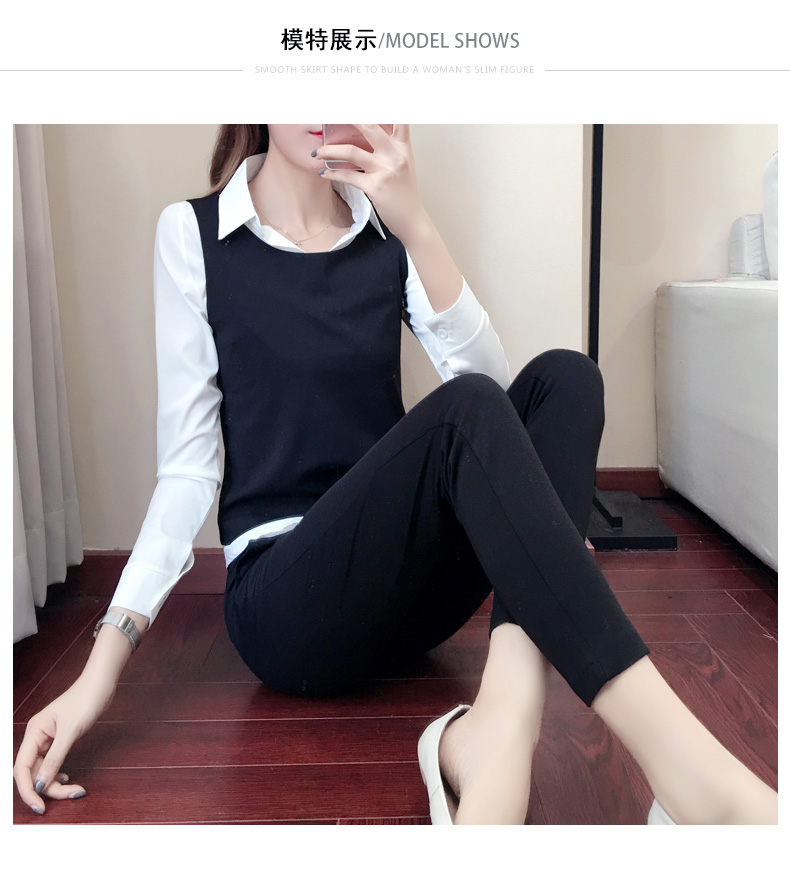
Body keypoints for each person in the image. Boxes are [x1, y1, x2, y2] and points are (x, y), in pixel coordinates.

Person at [14, 125, 778, 825]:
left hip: (406, 599)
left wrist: (416, 224)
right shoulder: (195, 235)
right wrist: (100, 668)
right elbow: (187, 472)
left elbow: (500, 411)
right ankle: (695, 781)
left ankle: (498, 730)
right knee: (464, 413)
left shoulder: (385, 232)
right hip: (288, 608)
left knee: (566, 381)